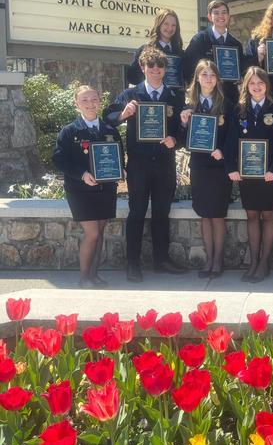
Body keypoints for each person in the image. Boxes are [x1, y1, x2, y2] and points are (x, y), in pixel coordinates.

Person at [104, 46, 186, 282]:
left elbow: (183, 130)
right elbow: (107, 119)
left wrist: (176, 139)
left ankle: (161, 260)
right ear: (142, 68)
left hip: (164, 165)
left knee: (162, 212)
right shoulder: (130, 95)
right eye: (151, 66)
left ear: (165, 69)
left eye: (160, 66)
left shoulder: (175, 97)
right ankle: (133, 263)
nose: (155, 70)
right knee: (137, 212)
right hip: (139, 164)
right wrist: (123, 115)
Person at [52, 85, 123, 287]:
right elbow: (59, 159)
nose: (90, 104)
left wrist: (121, 170)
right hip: (80, 190)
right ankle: (84, 277)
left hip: (105, 190)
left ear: (99, 101)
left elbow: (119, 155)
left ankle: (94, 275)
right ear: (76, 104)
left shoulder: (110, 130)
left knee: (100, 233)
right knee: (92, 233)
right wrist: (82, 174)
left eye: (93, 99)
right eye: (84, 100)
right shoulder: (69, 131)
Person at [225, 66, 273, 283]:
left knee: (268, 215)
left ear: (266, 85)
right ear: (246, 86)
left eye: (260, 82)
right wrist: (231, 167)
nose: (256, 86)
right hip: (247, 174)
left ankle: (264, 263)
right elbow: (231, 140)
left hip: (269, 174)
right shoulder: (239, 109)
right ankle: (253, 261)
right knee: (251, 215)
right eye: (252, 83)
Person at [179, 60, 232, 278]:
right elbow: (183, 141)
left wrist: (223, 152)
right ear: (197, 78)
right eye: (204, 75)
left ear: (217, 79)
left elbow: (232, 137)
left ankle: (218, 261)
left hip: (219, 168)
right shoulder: (189, 105)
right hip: (200, 166)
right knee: (204, 216)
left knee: (217, 216)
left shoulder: (227, 104)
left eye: (212, 75)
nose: (208, 79)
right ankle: (208, 259)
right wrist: (183, 123)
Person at [182, 0, 245, 104]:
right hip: (205, 98)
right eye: (216, 13)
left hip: (228, 97)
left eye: (224, 12)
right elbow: (188, 67)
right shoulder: (199, 40)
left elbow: (242, 69)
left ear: (229, 16)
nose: (221, 16)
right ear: (210, 17)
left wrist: (240, 77)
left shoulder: (236, 44)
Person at [126, 8, 184, 86]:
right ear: (159, 24)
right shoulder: (144, 51)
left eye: (173, 25)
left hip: (176, 97)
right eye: (166, 24)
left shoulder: (180, 53)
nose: (170, 28)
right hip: (153, 96)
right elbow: (132, 78)